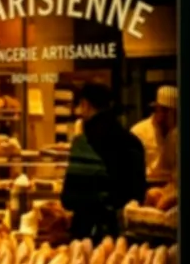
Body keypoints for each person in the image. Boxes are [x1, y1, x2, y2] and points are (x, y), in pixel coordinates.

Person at [62, 83, 147, 240]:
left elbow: (70, 198)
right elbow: (139, 193)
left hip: (87, 233)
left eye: (80, 105)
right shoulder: (133, 142)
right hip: (125, 234)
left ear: (86, 105)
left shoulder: (83, 143)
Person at [130, 84, 178, 180]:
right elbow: (131, 166)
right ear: (156, 108)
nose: (168, 115)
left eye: (173, 112)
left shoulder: (177, 134)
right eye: (164, 110)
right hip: (146, 183)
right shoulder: (139, 131)